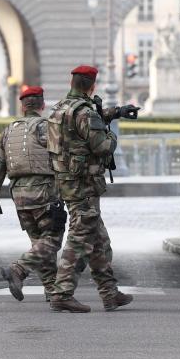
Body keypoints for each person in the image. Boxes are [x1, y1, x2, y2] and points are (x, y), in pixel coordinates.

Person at [46, 65, 133, 313]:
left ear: (72, 83)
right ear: (91, 86)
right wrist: (113, 136)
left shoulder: (60, 109)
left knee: (99, 241)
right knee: (79, 238)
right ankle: (62, 293)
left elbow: (81, 125)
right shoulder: (84, 112)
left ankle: (110, 293)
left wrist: (116, 112)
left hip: (67, 182)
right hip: (84, 185)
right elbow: (102, 146)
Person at [0, 85, 66, 302]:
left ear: (22, 106)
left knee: (38, 243)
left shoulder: (8, 131)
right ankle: (19, 269)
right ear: (42, 105)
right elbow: (62, 159)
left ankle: (52, 291)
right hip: (44, 192)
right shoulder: (47, 127)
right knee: (51, 240)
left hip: (19, 196)